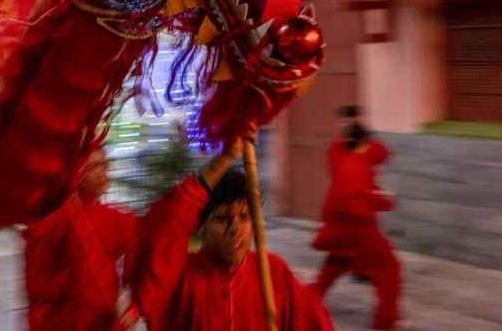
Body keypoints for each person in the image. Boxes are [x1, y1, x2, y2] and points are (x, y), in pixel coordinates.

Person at [128, 134, 333, 331]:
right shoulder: (181, 278)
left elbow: (316, 321)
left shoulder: (273, 274)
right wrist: (225, 159)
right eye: (222, 219)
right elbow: (160, 236)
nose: (235, 229)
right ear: (201, 226)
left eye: (244, 217)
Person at [23, 148, 139, 331]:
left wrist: (133, 310)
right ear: (74, 173)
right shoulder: (52, 223)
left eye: (104, 164)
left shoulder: (117, 219)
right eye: (93, 166)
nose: (103, 172)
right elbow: (37, 290)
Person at [312, 105, 401, 331]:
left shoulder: (361, 153)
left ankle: (302, 302)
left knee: (333, 267)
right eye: (344, 121)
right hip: (355, 226)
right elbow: (350, 198)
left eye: (351, 121)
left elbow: (382, 154)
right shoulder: (343, 156)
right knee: (389, 268)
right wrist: (380, 199)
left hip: (348, 226)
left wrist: (369, 139)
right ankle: (385, 322)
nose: (346, 125)